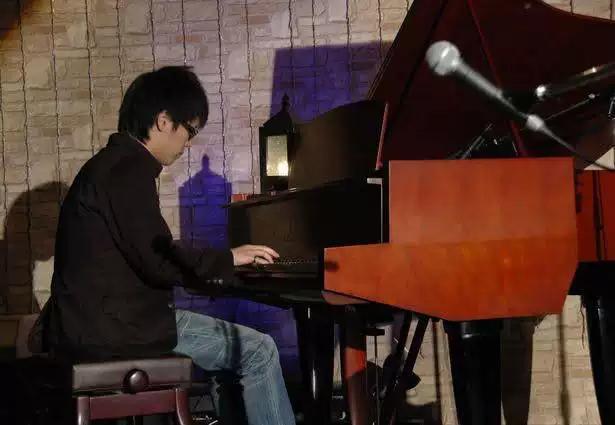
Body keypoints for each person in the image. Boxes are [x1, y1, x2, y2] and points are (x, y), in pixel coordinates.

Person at [43, 66, 296, 425]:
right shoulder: (126, 171)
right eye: (189, 131)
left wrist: (216, 269)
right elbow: (158, 257)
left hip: (95, 323)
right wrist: (229, 259)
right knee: (260, 351)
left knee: (231, 358)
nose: (188, 144)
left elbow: (148, 252)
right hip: (115, 329)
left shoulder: (109, 166)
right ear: (163, 121)